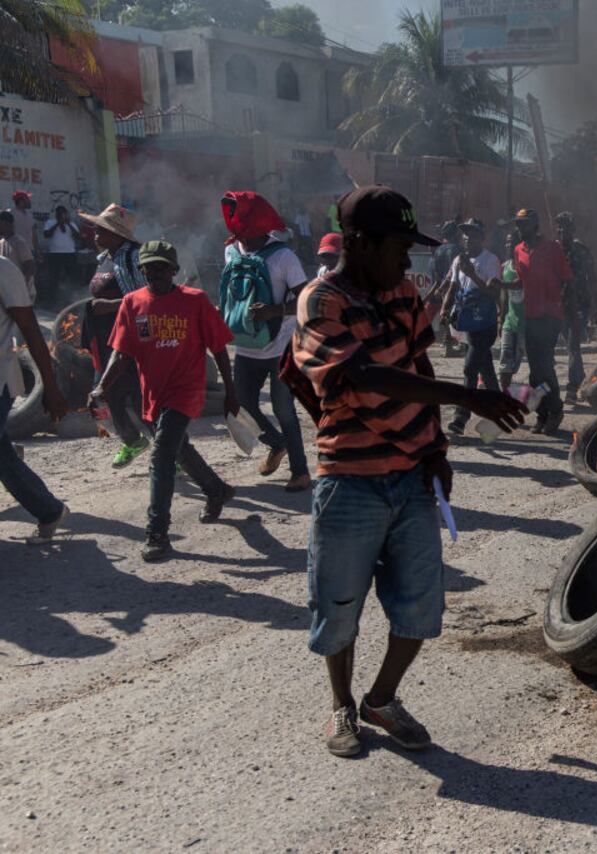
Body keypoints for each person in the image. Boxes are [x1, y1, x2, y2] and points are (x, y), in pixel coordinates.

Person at [287, 185, 526, 757]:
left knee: (420, 607)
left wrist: (438, 449)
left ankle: (381, 699)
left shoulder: (404, 293)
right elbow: (366, 375)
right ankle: (342, 708)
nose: (407, 258)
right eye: (399, 245)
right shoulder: (321, 302)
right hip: (349, 479)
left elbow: (417, 361)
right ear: (361, 243)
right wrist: (470, 397)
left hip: (412, 476)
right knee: (339, 605)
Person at [93, 240, 239, 561]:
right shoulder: (132, 302)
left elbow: (219, 349)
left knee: (161, 456)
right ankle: (216, 490)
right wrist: (102, 386)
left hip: (185, 390)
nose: (156, 273)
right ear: (142, 271)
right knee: (178, 449)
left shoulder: (196, 301)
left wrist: (231, 391)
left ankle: (157, 534)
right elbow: (121, 351)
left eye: (162, 267)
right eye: (150, 268)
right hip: (153, 394)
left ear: (174, 270)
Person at [220, 191, 311, 492]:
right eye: (238, 234)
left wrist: (274, 311)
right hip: (246, 345)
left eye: (246, 233)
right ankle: (276, 443)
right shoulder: (232, 251)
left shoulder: (284, 257)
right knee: (241, 405)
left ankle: (300, 472)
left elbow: (308, 302)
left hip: (282, 346)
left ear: (260, 227)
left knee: (284, 408)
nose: (242, 241)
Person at [0, 255, 70, 544]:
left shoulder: (4, 269)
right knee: (3, 458)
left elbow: (31, 329)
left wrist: (51, 387)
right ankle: (49, 510)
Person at [513, 208, 571, 434]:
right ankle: (544, 413)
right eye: (517, 224)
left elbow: (567, 280)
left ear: (534, 226)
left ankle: (555, 410)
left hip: (551, 316)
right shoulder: (518, 250)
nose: (519, 228)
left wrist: (570, 314)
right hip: (531, 316)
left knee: (544, 367)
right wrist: (499, 286)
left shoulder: (553, 248)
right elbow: (520, 281)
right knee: (536, 372)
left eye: (523, 224)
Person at [83, 272, 149, 467]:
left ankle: (173, 454)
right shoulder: (94, 307)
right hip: (107, 369)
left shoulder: (136, 309)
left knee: (145, 410)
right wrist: (142, 296)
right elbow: (100, 308)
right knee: (101, 409)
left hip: (136, 368)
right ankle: (133, 442)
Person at [444, 217, 502, 434]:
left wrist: (473, 275)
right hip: (468, 322)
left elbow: (493, 292)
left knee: (470, 369)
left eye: (472, 234)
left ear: (481, 238)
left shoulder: (491, 261)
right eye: (465, 234)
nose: (467, 238)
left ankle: (461, 417)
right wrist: (444, 309)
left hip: (485, 324)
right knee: (486, 370)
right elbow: (453, 285)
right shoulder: (459, 259)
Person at [556, 212, 597, 404]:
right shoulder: (554, 250)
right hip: (558, 305)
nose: (562, 230)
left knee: (573, 344)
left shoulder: (582, 250)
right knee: (570, 345)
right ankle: (581, 379)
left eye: (565, 226)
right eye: (559, 226)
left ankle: (572, 387)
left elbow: (593, 277)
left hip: (579, 304)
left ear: (573, 229)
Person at [81, 203, 145, 300]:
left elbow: (146, 298)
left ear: (117, 234)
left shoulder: (134, 257)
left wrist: (112, 306)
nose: (96, 229)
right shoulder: (104, 258)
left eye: (102, 227)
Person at [497, 229, 524, 392]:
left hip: (527, 324)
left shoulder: (526, 266)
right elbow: (504, 297)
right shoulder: (505, 267)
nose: (508, 245)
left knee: (518, 361)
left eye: (512, 242)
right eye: (506, 242)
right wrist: (501, 320)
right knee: (505, 360)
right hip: (510, 321)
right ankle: (504, 394)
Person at [433, 220, 463, 357]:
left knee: (446, 314)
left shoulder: (438, 250)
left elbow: (435, 271)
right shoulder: (458, 249)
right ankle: (461, 344)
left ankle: (448, 346)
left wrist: (440, 287)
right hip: (457, 286)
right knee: (459, 315)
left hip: (444, 286)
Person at [42, 205, 81, 303]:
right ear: (56, 214)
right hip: (55, 254)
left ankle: (72, 300)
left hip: (69, 254)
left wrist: (68, 224)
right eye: (60, 214)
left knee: (72, 277)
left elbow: (78, 237)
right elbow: (46, 235)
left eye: (64, 213)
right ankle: (53, 300)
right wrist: (57, 224)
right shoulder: (50, 222)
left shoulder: (71, 224)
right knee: (54, 278)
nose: (62, 215)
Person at [0, 211, 35, 300]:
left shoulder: (19, 242)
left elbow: (29, 266)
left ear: (8, 224)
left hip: (19, 292)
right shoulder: (1, 242)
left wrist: (23, 287)